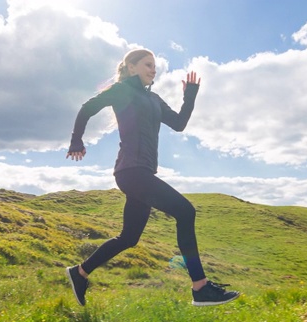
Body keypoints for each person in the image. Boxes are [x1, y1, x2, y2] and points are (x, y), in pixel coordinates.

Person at [65, 48, 239, 306]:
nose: (153, 70)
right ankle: (200, 287)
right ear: (132, 67)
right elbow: (87, 108)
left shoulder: (155, 99)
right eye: (148, 64)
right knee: (185, 212)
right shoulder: (122, 90)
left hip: (142, 172)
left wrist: (189, 96)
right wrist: (76, 140)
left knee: (129, 238)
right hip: (131, 171)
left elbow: (179, 124)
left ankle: (79, 272)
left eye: (154, 66)